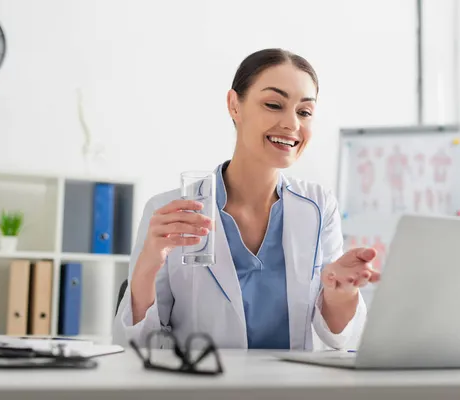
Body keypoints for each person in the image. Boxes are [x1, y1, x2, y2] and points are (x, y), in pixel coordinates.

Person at [113, 48, 380, 351]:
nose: (292, 123)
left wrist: (341, 292)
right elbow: (136, 347)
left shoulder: (319, 207)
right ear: (234, 105)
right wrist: (148, 264)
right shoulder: (168, 213)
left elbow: (336, 337)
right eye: (273, 104)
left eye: (304, 111)